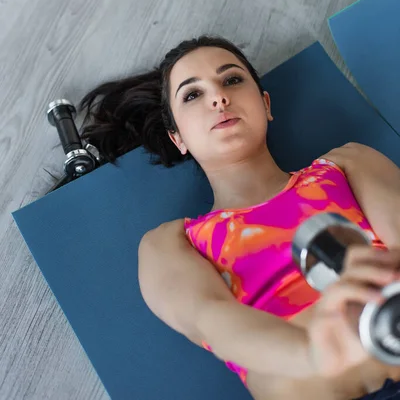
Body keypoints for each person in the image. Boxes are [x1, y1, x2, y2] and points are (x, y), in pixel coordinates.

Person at [77, 34, 400, 400]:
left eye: (231, 79)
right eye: (192, 94)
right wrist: (311, 351)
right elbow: (211, 320)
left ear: (265, 104)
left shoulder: (347, 163)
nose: (218, 97)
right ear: (177, 137)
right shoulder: (173, 242)